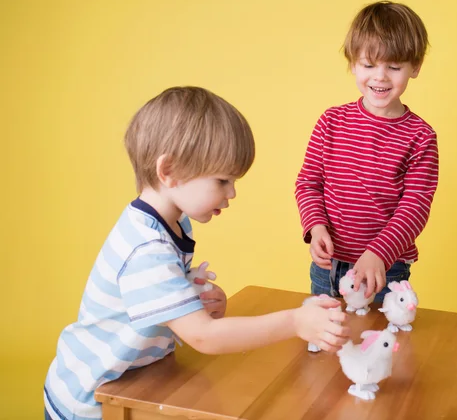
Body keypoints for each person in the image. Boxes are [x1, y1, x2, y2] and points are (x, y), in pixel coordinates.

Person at [44, 86, 349, 420]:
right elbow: (204, 337)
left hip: (137, 376)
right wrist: (296, 321)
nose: (231, 193)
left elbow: (164, 297)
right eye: (223, 180)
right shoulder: (146, 248)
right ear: (169, 171)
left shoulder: (174, 224)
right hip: (89, 401)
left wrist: (196, 296)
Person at [295, 1, 439, 304]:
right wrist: (316, 227)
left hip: (387, 269)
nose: (380, 77)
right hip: (329, 266)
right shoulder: (331, 122)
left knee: (381, 343)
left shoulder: (420, 137)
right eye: (369, 65)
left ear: (415, 67)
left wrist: (378, 253)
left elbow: (414, 208)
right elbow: (308, 183)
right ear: (352, 64)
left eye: (394, 67)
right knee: (325, 339)